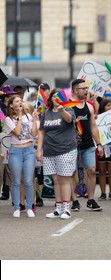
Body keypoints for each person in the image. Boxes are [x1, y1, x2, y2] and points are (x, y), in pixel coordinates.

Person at [37, 88, 77, 219]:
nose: (56, 98)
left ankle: (66, 208)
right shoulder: (46, 113)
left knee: (64, 179)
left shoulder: (69, 110)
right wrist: (39, 150)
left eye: (59, 96)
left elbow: (70, 120)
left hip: (65, 149)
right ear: (50, 99)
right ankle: (58, 208)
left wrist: (62, 110)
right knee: (56, 180)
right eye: (54, 96)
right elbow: (42, 131)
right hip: (49, 151)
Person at [70, 79, 104, 211]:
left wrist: (99, 144)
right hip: (71, 146)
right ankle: (74, 200)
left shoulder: (89, 106)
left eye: (86, 88)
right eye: (83, 88)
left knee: (91, 170)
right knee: (71, 173)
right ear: (74, 90)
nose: (86, 90)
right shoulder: (67, 106)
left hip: (88, 144)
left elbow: (93, 126)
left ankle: (90, 200)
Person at [5, 95, 38, 218]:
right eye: (17, 101)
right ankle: (17, 207)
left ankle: (29, 207)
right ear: (11, 105)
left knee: (29, 181)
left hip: (29, 150)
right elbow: (18, 132)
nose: (20, 103)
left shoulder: (28, 116)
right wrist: (19, 117)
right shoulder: (8, 119)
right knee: (16, 181)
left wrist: (34, 120)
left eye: (21, 101)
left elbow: (34, 134)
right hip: (16, 152)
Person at [97, 99, 111, 202]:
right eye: (108, 105)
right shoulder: (98, 118)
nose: (110, 107)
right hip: (101, 146)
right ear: (103, 107)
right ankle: (102, 193)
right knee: (101, 171)